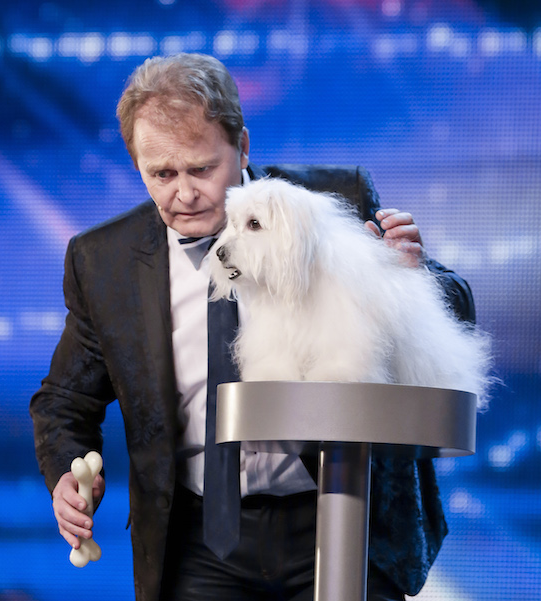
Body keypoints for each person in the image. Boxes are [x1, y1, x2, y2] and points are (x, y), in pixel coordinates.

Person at [30, 53, 475, 601]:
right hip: (198, 544)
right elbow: (64, 399)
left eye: (201, 169)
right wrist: (67, 474)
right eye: (162, 174)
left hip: (342, 516)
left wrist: (414, 275)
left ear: (241, 147)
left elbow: (450, 316)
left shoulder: (331, 202)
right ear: (136, 164)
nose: (184, 193)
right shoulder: (103, 260)